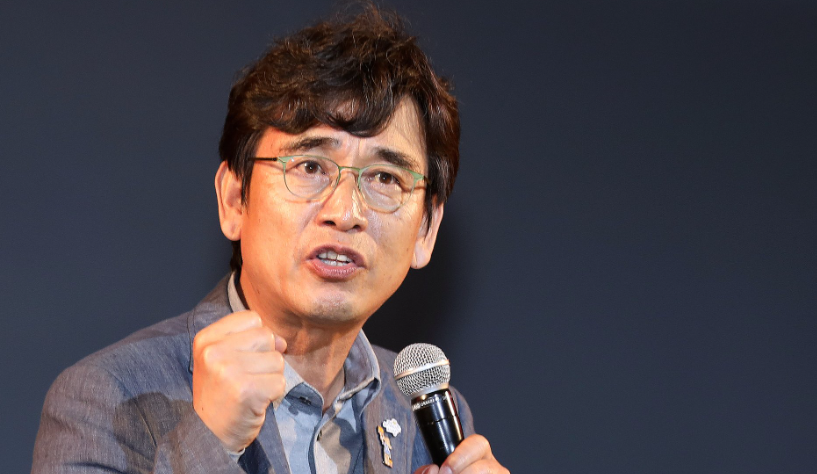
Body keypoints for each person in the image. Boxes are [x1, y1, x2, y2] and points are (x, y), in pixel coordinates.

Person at [32, 6, 508, 474]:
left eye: (385, 178)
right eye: (310, 167)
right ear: (234, 199)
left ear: (425, 229)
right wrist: (209, 444)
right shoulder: (106, 401)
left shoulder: (427, 420)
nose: (345, 213)